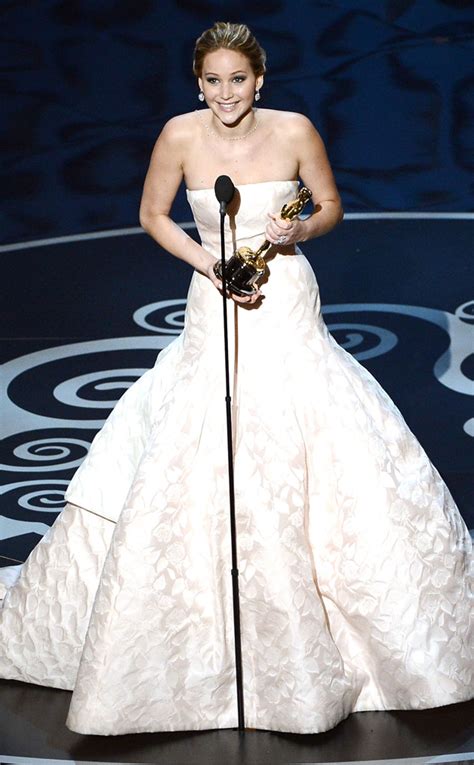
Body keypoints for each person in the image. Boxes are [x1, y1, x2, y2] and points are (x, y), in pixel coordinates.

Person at [0, 21, 472, 737]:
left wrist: (299, 230)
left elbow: (331, 206)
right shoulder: (180, 136)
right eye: (214, 80)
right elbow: (151, 215)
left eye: (238, 79)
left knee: (305, 429)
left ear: (260, 79)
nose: (226, 93)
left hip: (285, 299)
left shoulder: (295, 130)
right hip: (214, 296)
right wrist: (210, 263)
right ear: (199, 84)